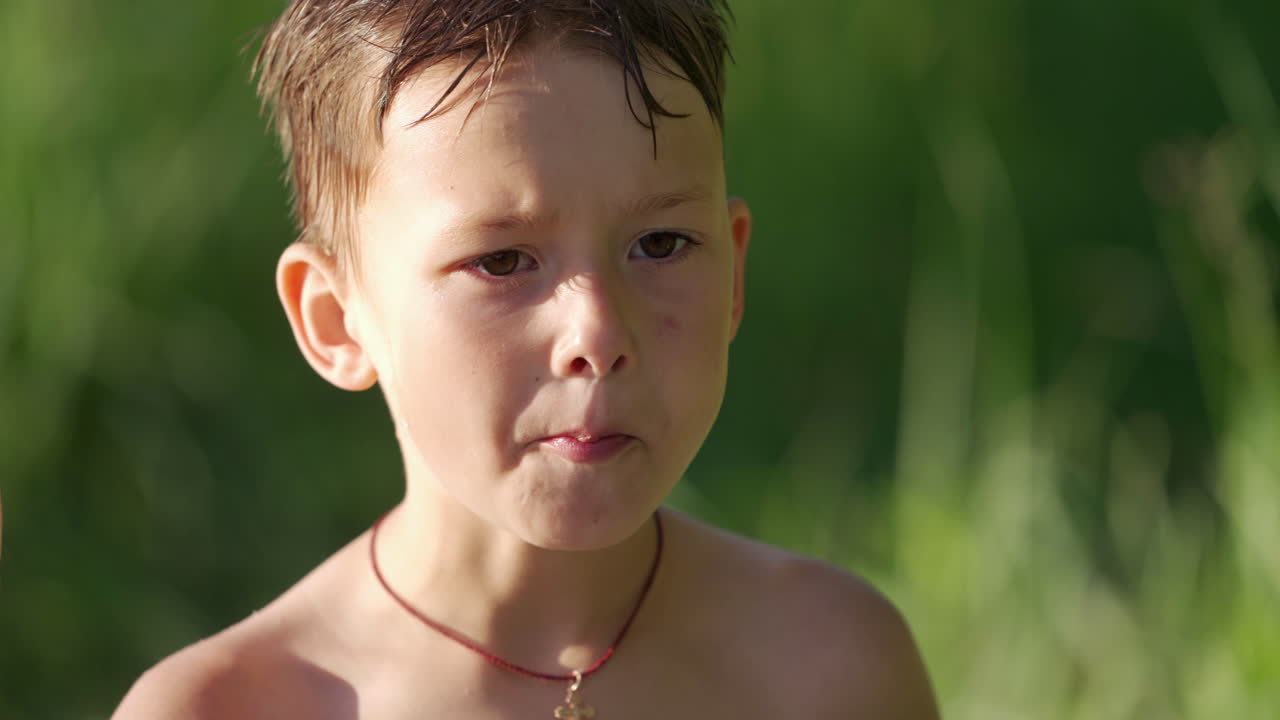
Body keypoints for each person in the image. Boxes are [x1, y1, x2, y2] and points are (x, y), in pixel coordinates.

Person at [114, 1, 939, 717]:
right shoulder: (227, 710)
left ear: (733, 271)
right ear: (336, 319)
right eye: (503, 262)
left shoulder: (833, 670)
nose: (599, 333)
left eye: (660, 244)